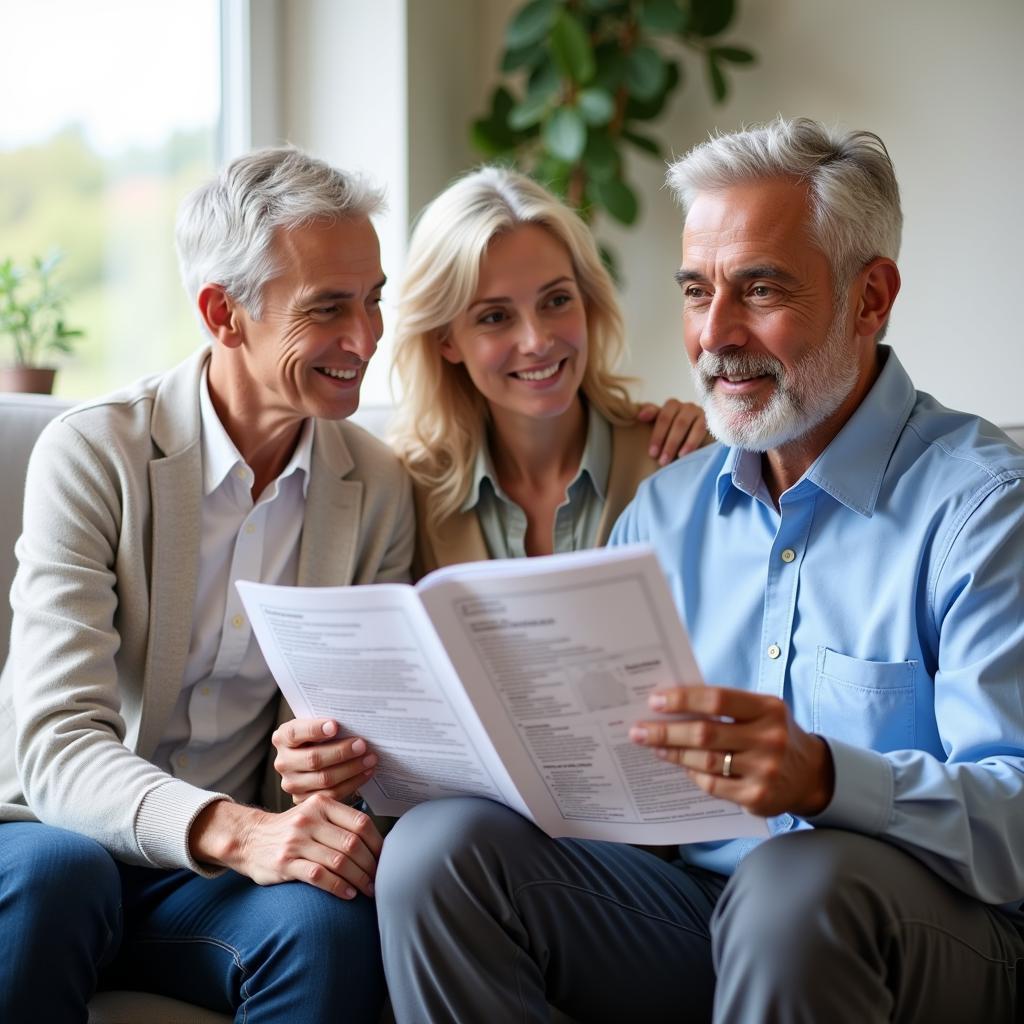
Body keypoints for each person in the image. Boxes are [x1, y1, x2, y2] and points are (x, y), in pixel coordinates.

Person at [373, 117, 1024, 1023]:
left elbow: (1017, 814)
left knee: (798, 887)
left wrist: (830, 779)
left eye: (759, 289)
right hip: (704, 912)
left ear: (870, 297)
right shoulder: (666, 509)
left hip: (927, 927)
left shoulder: (984, 509)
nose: (714, 334)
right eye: (695, 290)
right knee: (438, 850)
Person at [0, 147, 413, 1023]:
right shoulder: (95, 454)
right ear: (224, 314)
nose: (367, 338)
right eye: (328, 308)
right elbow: (56, 745)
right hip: (53, 835)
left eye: (374, 298)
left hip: (213, 882)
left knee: (324, 928)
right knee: (61, 876)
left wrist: (329, 772)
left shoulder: (376, 486)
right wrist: (239, 830)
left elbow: (356, 743)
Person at [387, 166, 706, 575]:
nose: (536, 341)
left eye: (556, 301)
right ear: (445, 340)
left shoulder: (679, 457)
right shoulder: (408, 491)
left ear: (587, 302)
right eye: (495, 316)